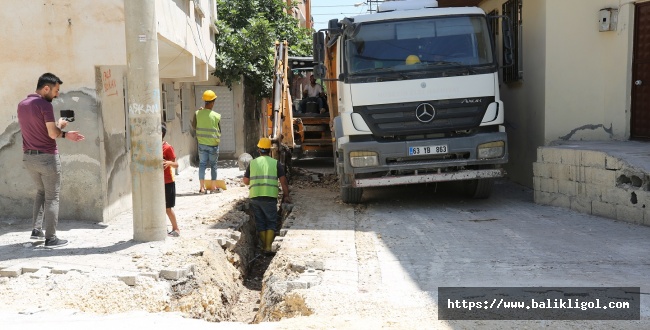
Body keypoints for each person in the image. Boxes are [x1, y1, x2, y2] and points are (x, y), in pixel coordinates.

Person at [17, 72, 85, 248]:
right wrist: (65, 133)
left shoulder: (22, 104)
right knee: (52, 198)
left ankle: (36, 230)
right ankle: (51, 238)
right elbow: (52, 134)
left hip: (29, 158)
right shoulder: (44, 105)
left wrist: (59, 125)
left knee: (41, 192)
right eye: (56, 90)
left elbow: (41, 129)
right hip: (47, 157)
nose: (57, 95)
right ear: (46, 88)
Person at [243, 138, 291, 255]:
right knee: (271, 222)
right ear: (270, 150)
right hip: (270, 197)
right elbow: (283, 181)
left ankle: (264, 246)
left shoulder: (252, 163)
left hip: (255, 197)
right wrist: (286, 195)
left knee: (260, 222)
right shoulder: (275, 163)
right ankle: (268, 247)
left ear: (259, 150)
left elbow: (245, 181)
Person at [191, 90, 221, 194]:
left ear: (205, 101)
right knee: (213, 165)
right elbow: (219, 130)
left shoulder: (197, 113)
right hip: (213, 145)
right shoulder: (216, 116)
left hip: (202, 144)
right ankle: (213, 187)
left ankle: (202, 188)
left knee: (202, 164)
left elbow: (194, 126)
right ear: (213, 102)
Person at [161, 123, 180, 237]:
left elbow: (176, 164)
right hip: (157, 183)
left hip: (168, 182)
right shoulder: (153, 147)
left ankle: (176, 229)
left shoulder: (167, 148)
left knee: (168, 208)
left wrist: (169, 163)